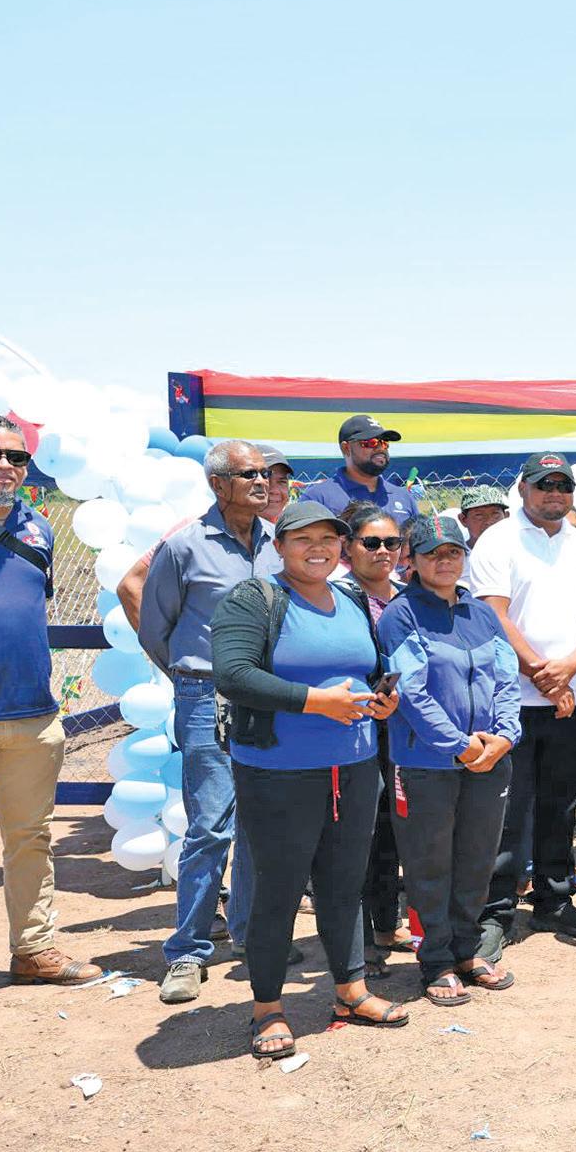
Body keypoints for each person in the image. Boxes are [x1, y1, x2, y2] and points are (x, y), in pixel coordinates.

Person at [210, 500, 407, 1059]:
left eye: (328, 538)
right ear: (279, 546)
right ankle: (267, 1008)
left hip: (354, 765)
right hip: (278, 771)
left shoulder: (351, 599)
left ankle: (350, 991)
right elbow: (234, 675)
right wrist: (317, 701)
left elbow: (367, 670)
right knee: (278, 888)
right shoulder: (254, 599)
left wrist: (382, 700)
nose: (317, 548)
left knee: (345, 883)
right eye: (303, 539)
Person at [0, 415, 102, 1025]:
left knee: (31, 839)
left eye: (16, 457)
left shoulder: (37, 525)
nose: (4, 466)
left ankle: (33, 950)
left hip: (32, 717)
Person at [138, 438, 279, 1004]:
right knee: (211, 825)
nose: (262, 482)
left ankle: (247, 934)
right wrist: (192, 679)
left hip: (269, 699)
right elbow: (156, 628)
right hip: (207, 695)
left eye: (265, 473)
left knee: (260, 823)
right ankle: (189, 951)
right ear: (218, 485)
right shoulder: (183, 547)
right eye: (249, 474)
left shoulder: (279, 543)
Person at [467, 452, 576, 951]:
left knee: (561, 803)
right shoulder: (498, 539)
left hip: (572, 699)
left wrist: (568, 669)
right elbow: (493, 615)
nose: (554, 493)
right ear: (523, 489)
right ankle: (495, 912)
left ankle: (554, 900)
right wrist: (542, 673)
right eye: (544, 484)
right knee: (507, 809)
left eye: (563, 485)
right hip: (511, 699)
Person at [377, 513, 521, 1006]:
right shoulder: (401, 615)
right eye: (433, 554)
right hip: (427, 764)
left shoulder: (481, 613)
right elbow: (412, 693)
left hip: (490, 759)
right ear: (411, 560)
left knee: (478, 858)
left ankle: (467, 949)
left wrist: (504, 737)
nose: (445, 561)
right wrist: (460, 745)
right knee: (429, 862)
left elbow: (506, 679)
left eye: (454, 552)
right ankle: (436, 959)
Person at [337, 503, 413, 970]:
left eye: (392, 542)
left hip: (402, 729)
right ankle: (358, 942)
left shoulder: (408, 595)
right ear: (349, 548)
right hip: (351, 729)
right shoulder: (337, 597)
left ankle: (386, 923)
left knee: (391, 828)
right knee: (357, 834)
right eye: (371, 542)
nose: (383, 551)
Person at [114, 441, 292, 628]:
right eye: (250, 475)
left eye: (279, 481)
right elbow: (131, 584)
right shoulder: (194, 529)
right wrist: (163, 645)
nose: (269, 488)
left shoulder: (289, 532)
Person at [300, 414, 420, 522]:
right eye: (371, 442)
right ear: (346, 448)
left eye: (384, 443)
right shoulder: (318, 498)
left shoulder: (403, 497)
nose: (380, 448)